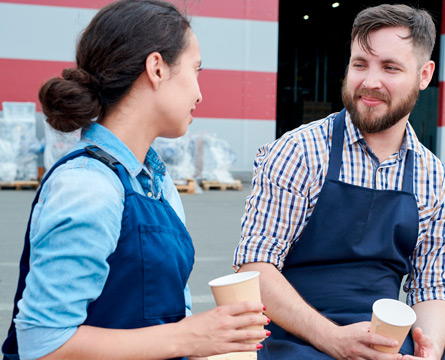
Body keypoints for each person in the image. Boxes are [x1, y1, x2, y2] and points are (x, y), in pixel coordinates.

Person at [1, 1, 269, 359]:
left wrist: (213, 338)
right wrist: (188, 337)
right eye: (196, 70)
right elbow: (43, 344)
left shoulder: (156, 184)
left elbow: (167, 317)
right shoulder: (87, 186)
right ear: (156, 68)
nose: (200, 93)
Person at [234, 4, 445, 360]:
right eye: (360, 64)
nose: (369, 82)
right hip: (296, 334)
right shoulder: (298, 152)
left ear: (424, 75)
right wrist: (333, 339)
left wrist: (430, 349)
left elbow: (432, 288)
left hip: (386, 337)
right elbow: (255, 266)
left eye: (389, 67)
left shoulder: (436, 182)